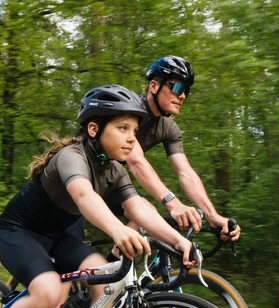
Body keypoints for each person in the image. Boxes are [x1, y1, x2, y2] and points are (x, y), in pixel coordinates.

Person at [0, 84, 195, 308]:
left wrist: (176, 241)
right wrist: (119, 231)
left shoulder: (114, 169)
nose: (132, 137)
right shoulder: (70, 156)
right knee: (49, 293)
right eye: (122, 128)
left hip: (61, 236)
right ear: (94, 128)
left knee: (105, 279)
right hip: (20, 232)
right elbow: (84, 196)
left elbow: (138, 208)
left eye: (134, 129)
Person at [69, 55, 241, 250]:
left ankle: (114, 270)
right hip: (77, 180)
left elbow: (185, 172)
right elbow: (136, 162)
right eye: (177, 88)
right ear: (153, 86)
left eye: (186, 91)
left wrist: (212, 215)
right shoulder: (129, 111)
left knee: (146, 213)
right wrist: (173, 203)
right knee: (70, 257)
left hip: (105, 181)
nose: (182, 95)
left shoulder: (169, 128)